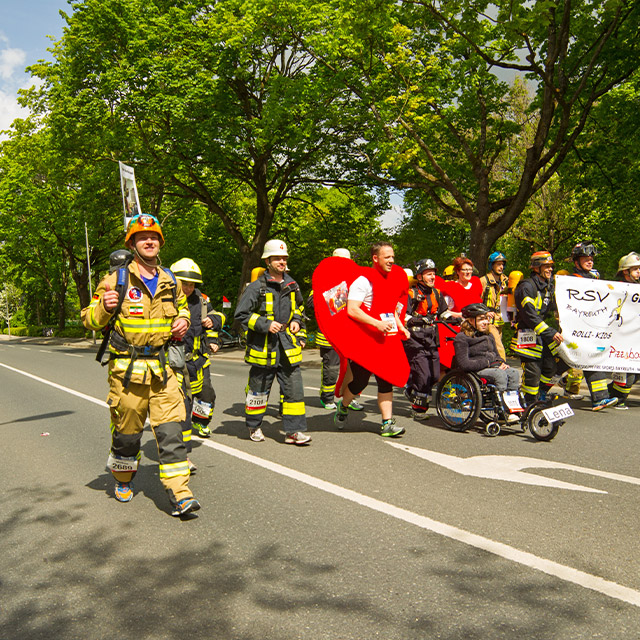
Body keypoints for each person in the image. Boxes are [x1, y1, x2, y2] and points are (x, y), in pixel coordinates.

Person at [81, 214, 200, 517]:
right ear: (132, 244)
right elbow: (89, 320)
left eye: (154, 237)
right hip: (127, 373)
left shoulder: (170, 280)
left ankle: (180, 494)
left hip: (164, 371)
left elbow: (183, 310)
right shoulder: (115, 280)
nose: (149, 241)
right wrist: (103, 309)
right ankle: (122, 476)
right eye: (142, 237)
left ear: (160, 242)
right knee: (127, 434)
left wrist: (183, 321)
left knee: (172, 433)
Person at [234, 239, 311, 445]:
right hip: (263, 348)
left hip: (287, 347)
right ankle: (254, 426)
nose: (282, 261)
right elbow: (241, 315)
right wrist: (264, 324)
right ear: (268, 260)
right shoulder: (256, 287)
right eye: (277, 258)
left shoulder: (292, 285)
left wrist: (296, 323)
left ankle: (294, 431)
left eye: (284, 258)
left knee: (294, 391)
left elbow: (300, 310)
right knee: (258, 390)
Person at [333, 241, 409, 437]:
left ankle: (387, 423)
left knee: (386, 380)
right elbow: (352, 310)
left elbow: (391, 307)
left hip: (387, 339)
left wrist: (401, 327)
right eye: (387, 257)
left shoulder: (392, 279)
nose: (392, 260)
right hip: (366, 340)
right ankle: (343, 406)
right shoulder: (363, 280)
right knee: (360, 382)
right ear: (375, 259)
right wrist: (376, 324)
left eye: (393, 257)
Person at [170, 258, 225, 442]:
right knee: (182, 402)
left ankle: (201, 422)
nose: (188, 288)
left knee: (206, 394)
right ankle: (181, 441)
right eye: (184, 284)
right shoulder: (165, 301)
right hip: (175, 363)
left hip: (199, 360)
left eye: (192, 284)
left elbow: (215, 317)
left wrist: (213, 326)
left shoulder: (202, 300)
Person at [307, 248, 363, 412]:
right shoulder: (324, 279)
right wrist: (339, 294)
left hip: (350, 334)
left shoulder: (356, 280)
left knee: (353, 370)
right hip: (329, 335)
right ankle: (327, 397)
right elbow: (312, 303)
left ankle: (349, 397)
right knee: (332, 368)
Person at [564, 242, 618, 411]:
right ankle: (538, 393)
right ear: (576, 262)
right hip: (573, 330)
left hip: (590, 330)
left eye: (591, 259)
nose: (590, 262)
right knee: (556, 364)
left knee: (591, 360)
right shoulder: (571, 281)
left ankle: (600, 398)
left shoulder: (595, 280)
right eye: (586, 259)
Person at [510, 251, 566, 406]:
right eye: (546, 266)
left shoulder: (548, 286)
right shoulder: (527, 287)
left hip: (543, 335)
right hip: (527, 334)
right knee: (533, 373)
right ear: (536, 267)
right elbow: (529, 315)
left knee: (551, 367)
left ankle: (540, 394)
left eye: (551, 267)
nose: (550, 270)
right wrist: (550, 332)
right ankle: (529, 403)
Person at [454, 303, 520, 421]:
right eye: (481, 319)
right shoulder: (462, 338)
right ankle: (502, 411)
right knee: (499, 375)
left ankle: (513, 408)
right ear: (470, 321)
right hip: (475, 370)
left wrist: (501, 363)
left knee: (514, 373)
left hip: (491, 367)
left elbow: (496, 354)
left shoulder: (489, 335)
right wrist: (488, 362)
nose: (486, 322)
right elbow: (464, 364)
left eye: (486, 318)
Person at [403, 258, 448, 420]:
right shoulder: (411, 293)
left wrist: (455, 318)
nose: (432, 277)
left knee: (434, 376)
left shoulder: (436, 293)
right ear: (420, 277)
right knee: (422, 376)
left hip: (431, 339)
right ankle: (418, 408)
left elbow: (443, 312)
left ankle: (410, 389)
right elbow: (403, 316)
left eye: (433, 274)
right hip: (415, 341)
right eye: (428, 274)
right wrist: (418, 320)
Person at [441, 255, 506, 360]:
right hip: (461, 325)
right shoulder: (451, 288)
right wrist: (460, 315)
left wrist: (486, 313)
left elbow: (479, 305)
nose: (468, 272)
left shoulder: (476, 284)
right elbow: (444, 311)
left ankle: (500, 364)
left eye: (470, 270)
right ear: (458, 271)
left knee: (495, 341)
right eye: (465, 270)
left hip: (480, 323)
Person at [608, 252, 640, 409]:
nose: (639, 272)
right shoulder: (616, 289)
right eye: (635, 269)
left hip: (635, 339)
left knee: (636, 372)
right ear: (625, 271)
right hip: (620, 339)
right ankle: (617, 397)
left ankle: (611, 393)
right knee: (628, 373)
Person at [480, 251, 508, 339]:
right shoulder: (483, 281)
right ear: (492, 265)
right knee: (499, 350)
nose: (501, 267)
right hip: (487, 321)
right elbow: (477, 301)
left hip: (499, 323)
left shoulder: (505, 282)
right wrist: (485, 312)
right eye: (498, 264)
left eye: (502, 264)